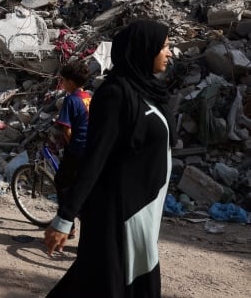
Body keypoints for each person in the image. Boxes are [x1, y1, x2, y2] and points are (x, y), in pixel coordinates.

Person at [44, 20, 174, 297]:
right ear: (143, 49)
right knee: (112, 283)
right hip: (121, 214)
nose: (170, 52)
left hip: (145, 210)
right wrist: (65, 217)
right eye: (164, 47)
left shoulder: (149, 92)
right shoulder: (116, 93)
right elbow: (95, 159)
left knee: (102, 281)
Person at [53, 60, 92, 239]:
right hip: (91, 149)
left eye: (63, 80)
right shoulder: (88, 97)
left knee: (62, 183)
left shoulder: (71, 100)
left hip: (77, 150)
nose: (61, 84)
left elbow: (67, 129)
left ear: (69, 82)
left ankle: (67, 226)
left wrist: (71, 145)